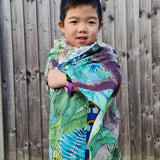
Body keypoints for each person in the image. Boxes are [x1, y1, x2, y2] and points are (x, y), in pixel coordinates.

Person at [45, 0, 121, 159]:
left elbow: (112, 81)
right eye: (74, 21)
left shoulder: (105, 55)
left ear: (99, 26)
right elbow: (50, 82)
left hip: (96, 133)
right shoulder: (56, 56)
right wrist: (53, 80)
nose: (82, 28)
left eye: (90, 22)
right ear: (62, 25)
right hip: (66, 138)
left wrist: (67, 79)